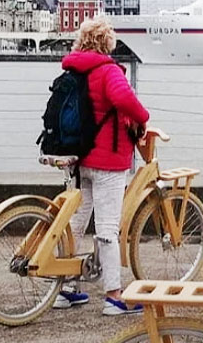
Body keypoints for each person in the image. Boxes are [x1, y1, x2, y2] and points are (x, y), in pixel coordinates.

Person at [55, 17, 150, 316]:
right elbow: (123, 98)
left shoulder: (73, 69)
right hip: (108, 158)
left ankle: (65, 289)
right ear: (107, 42)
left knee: (75, 223)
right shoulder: (108, 70)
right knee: (107, 227)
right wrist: (144, 117)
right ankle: (114, 296)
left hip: (78, 157)